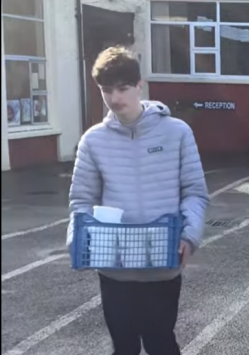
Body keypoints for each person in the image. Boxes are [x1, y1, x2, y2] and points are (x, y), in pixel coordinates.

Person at [66, 46, 209, 355]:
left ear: (139, 86)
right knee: (124, 347)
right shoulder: (93, 141)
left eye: (123, 88)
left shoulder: (177, 132)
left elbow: (194, 192)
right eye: (106, 90)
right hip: (114, 268)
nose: (115, 98)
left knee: (161, 344)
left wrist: (189, 236)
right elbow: (82, 200)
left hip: (162, 264)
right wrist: (77, 240)